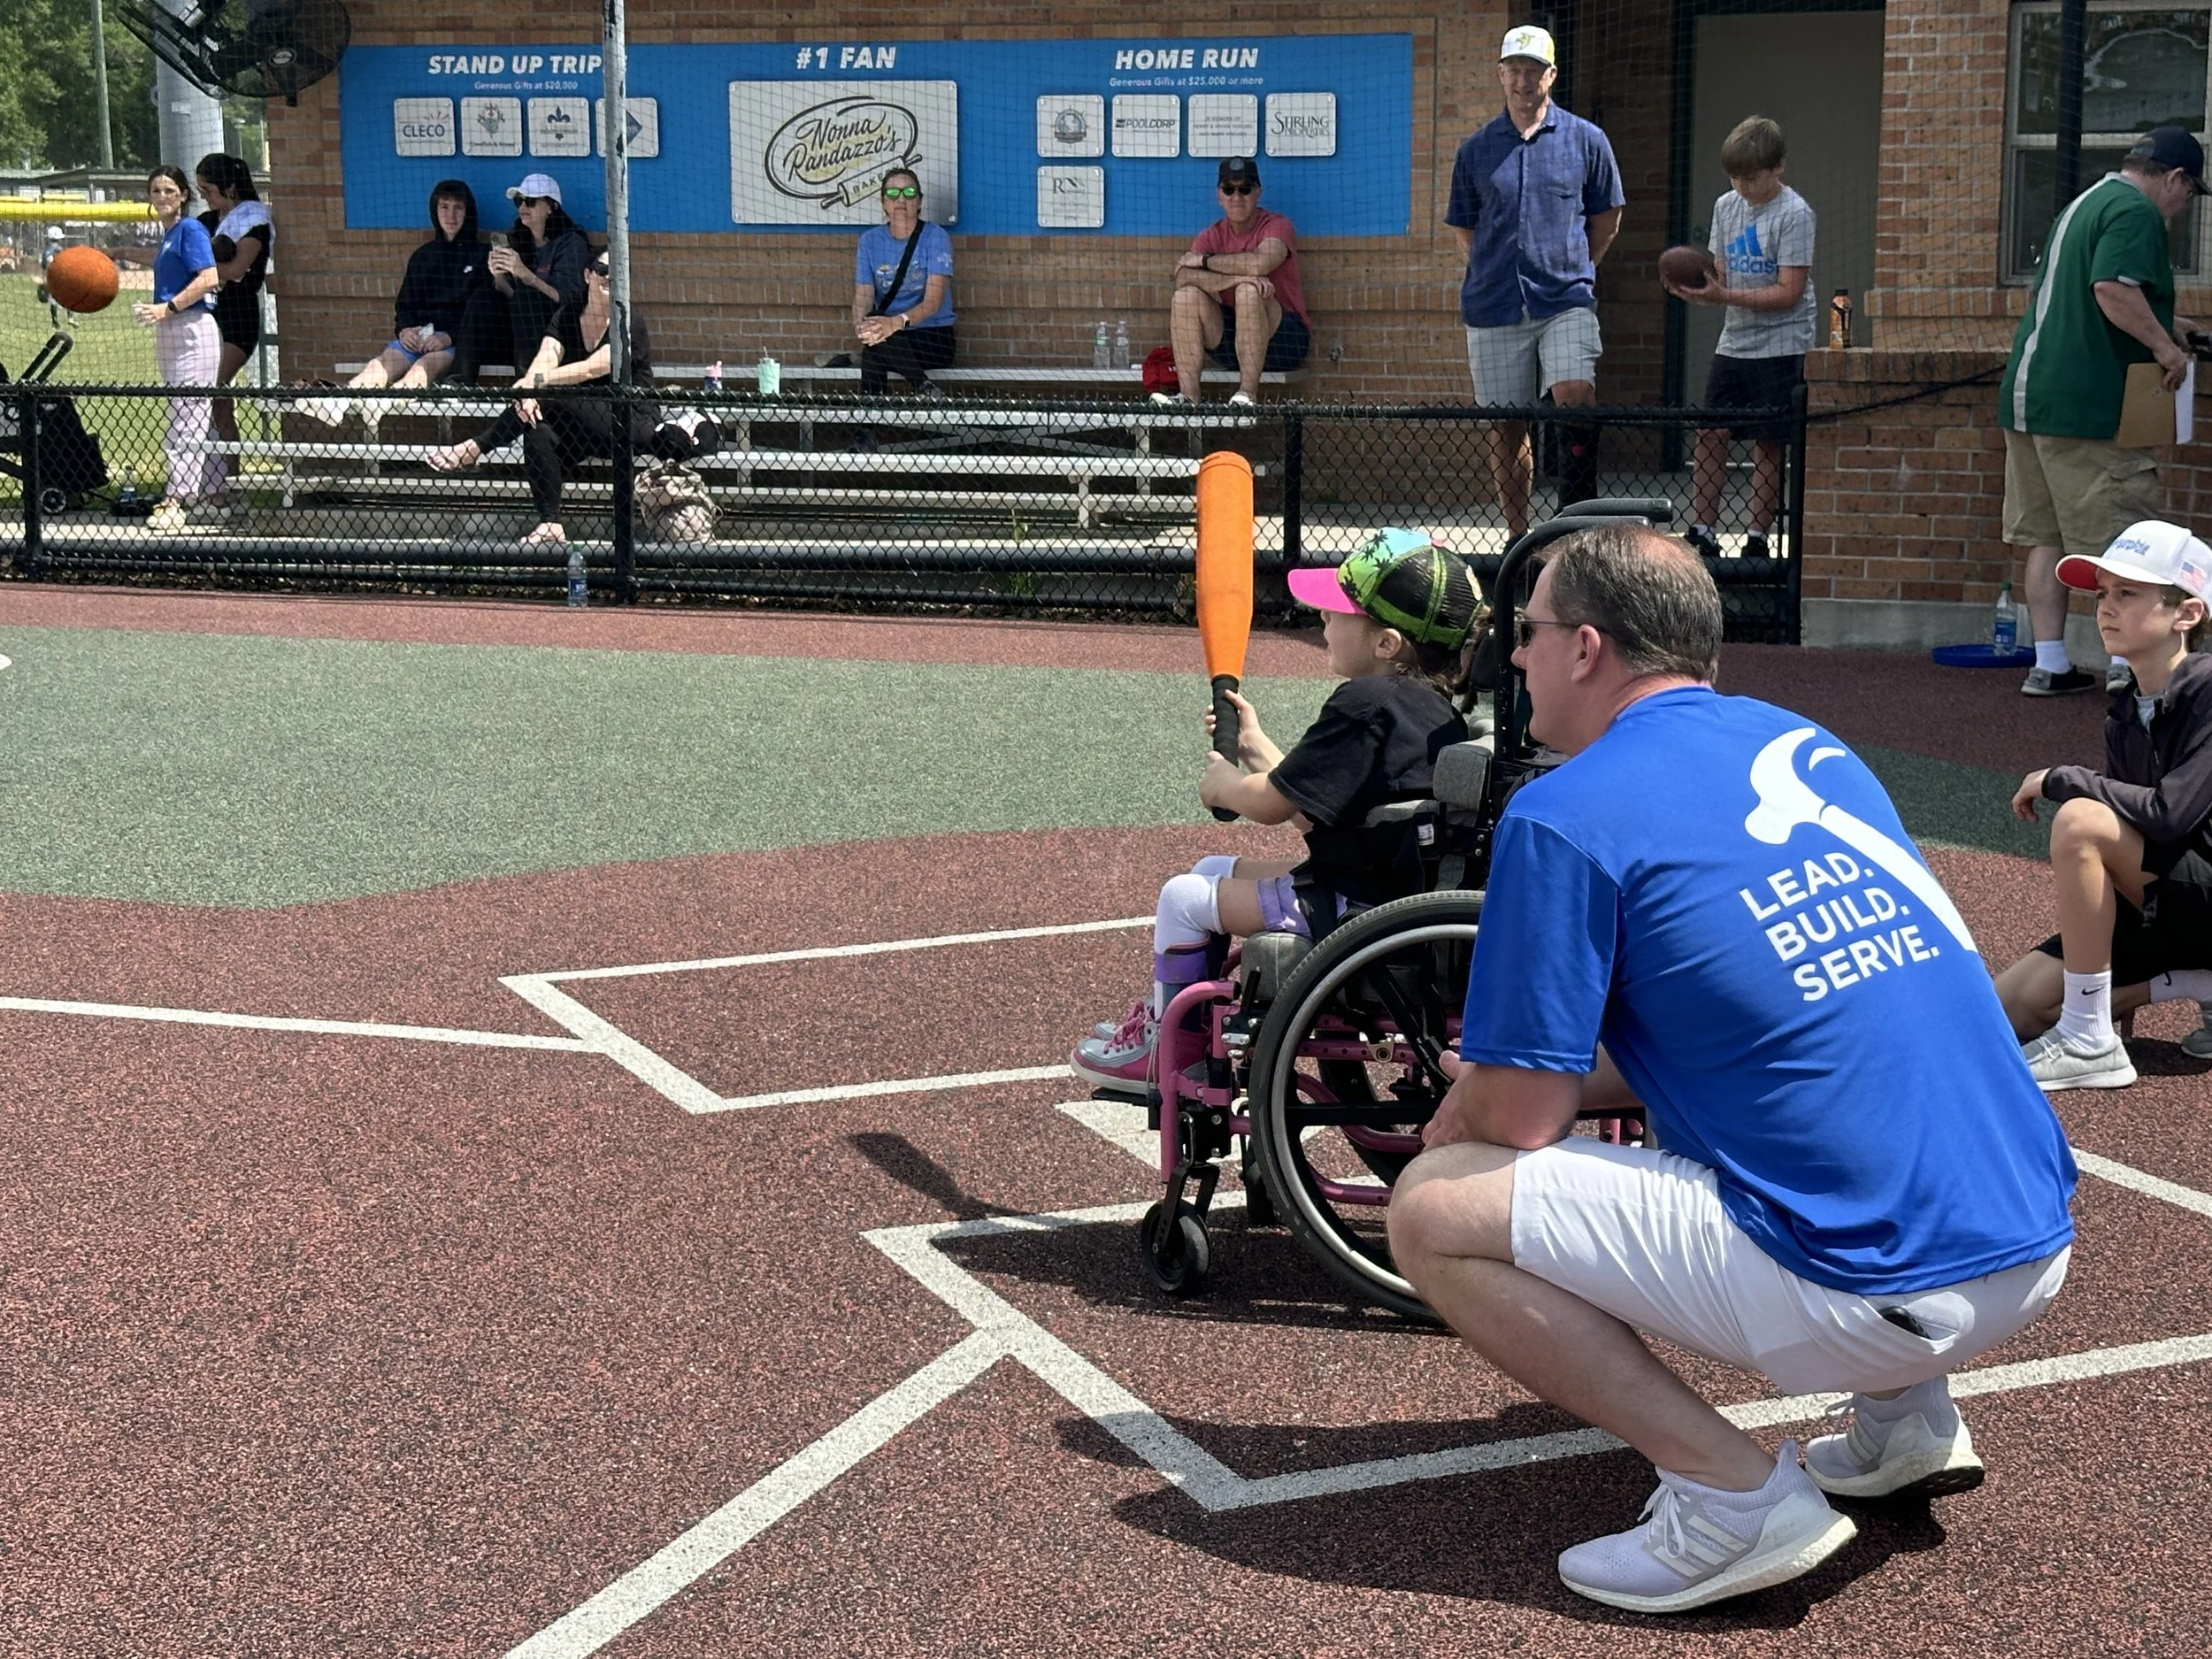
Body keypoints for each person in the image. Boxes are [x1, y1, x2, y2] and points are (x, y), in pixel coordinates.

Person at [1386, 523, 2076, 1613]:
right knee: (1829, 1075)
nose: (1514, 658)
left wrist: (1461, 1109)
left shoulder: (1563, 812)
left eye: (1529, 633)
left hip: (1874, 1282)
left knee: (1433, 1206)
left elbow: (1518, 1115)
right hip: (2030, 1242)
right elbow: (1771, 1024)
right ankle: (1904, 1421)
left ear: (1586, 649)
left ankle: (1732, 1499)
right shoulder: (1807, 743)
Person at [1072, 530, 1477, 1090]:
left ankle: (1169, 1051)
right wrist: (1256, 746)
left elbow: (1270, 803)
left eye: (1337, 612)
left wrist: (1223, 784)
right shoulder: (1427, 710)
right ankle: (1170, 1021)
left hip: (1353, 906)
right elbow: (1316, 802)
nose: (1322, 620)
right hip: (1381, 887)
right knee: (1213, 868)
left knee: (1182, 898)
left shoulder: (1364, 702)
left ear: (1385, 644)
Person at [1993, 520, 2212, 1089]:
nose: (2105, 608)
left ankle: (2089, 1041)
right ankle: (2192, 982)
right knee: (2010, 1009)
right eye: (2101, 594)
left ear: (2186, 615)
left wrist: (2064, 779)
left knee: (2080, 819)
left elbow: (2170, 815)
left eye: (2127, 594)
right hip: (2172, 897)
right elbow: (2136, 833)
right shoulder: (2127, 706)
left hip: (2202, 893)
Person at [1999, 126, 2206, 698]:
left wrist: (2175, 327)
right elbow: (2113, 290)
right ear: (2173, 178)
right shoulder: (2137, 212)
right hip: (2087, 407)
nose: (2183, 206)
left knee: (2045, 536)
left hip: (2030, 397)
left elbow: (2090, 296)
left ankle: (2049, 664)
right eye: (2188, 193)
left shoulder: (2085, 203)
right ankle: (2127, 668)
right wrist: (2167, 350)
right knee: (2121, 541)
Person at [1447, 26, 1624, 539]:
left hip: (1565, 298)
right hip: (1494, 304)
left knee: (1574, 394)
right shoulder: (1474, 150)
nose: (1524, 80)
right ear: (1501, 75)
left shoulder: (1587, 139)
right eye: (1514, 69)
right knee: (1507, 424)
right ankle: (1519, 539)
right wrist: (1492, 267)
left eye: (1534, 70)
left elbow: (1607, 217)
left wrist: (1576, 268)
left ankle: (1578, 525)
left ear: (1552, 75)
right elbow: (1465, 227)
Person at [426, 250, 687, 548]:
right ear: (587, 275)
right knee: (536, 427)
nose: (609, 278)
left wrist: (536, 384)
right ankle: (550, 523)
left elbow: (595, 367)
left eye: (618, 273)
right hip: (580, 426)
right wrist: (530, 391)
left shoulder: (629, 320)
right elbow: (547, 355)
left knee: (548, 398)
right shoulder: (568, 313)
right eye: (603, 270)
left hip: (630, 422)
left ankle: (477, 446)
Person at [1663, 116, 1814, 561]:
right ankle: (1703, 529)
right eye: (1735, 177)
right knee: (1711, 432)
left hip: (1783, 344)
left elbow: (1789, 292)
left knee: (1769, 442)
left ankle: (1756, 537)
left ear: (1778, 167)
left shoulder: (1795, 214)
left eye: (1752, 177)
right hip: (1736, 342)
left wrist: (1723, 294)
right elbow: (1720, 272)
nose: (1743, 186)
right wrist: (1696, 285)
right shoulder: (1725, 207)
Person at [300, 180, 488, 427]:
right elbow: (406, 305)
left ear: (468, 211)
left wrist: (448, 337)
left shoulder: (483, 255)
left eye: (458, 208)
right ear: (435, 210)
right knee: (382, 362)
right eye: (444, 207)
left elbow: (482, 310)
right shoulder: (422, 256)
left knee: (424, 366)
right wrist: (406, 330)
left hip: (456, 342)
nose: (450, 215)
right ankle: (340, 401)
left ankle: (384, 403)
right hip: (420, 335)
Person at [1151, 157, 1310, 409]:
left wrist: (1205, 262)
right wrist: (1236, 278)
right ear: (1219, 195)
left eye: (1245, 189)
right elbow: (1182, 277)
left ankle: (1247, 395)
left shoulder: (1277, 225)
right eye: (1229, 189)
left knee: (1248, 292)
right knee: (1185, 296)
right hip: (1234, 342)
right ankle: (1188, 398)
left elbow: (1260, 264)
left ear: (1258, 192)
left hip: (1283, 342)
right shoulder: (1211, 234)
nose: (1237, 196)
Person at [130, 165, 223, 533]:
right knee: (195, 413)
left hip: (191, 328)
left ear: (184, 194)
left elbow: (210, 277)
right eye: (156, 191)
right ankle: (215, 495)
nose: (163, 197)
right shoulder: (168, 235)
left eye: (170, 190)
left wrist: (167, 308)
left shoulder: (191, 229)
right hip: (170, 330)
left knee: (187, 413)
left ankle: (176, 498)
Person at [463, 173, 588, 384]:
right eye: (519, 201)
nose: (523, 207)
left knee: (527, 297)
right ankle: (460, 378)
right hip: (517, 331)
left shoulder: (571, 243)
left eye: (530, 201)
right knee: (483, 296)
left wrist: (526, 275)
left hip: (558, 332)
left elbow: (566, 298)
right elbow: (512, 294)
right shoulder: (519, 240)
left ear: (551, 207)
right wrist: (500, 276)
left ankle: (527, 385)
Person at [193, 153, 272, 480]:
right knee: (220, 402)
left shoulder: (253, 219)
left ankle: (226, 479)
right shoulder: (207, 221)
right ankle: (221, 480)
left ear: (231, 187)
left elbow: (238, 269)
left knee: (211, 389)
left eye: (208, 189)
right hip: (208, 315)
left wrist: (202, 270)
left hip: (238, 317)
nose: (205, 197)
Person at [851, 168, 956, 396]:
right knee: (875, 342)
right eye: (893, 193)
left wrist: (896, 323)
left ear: (919, 202)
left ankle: (865, 429)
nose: (901, 199)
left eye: (909, 192)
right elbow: (863, 294)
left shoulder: (935, 237)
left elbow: (933, 302)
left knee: (875, 349)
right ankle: (924, 387)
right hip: (887, 337)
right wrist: (861, 324)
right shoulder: (869, 241)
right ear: (883, 202)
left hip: (933, 337)